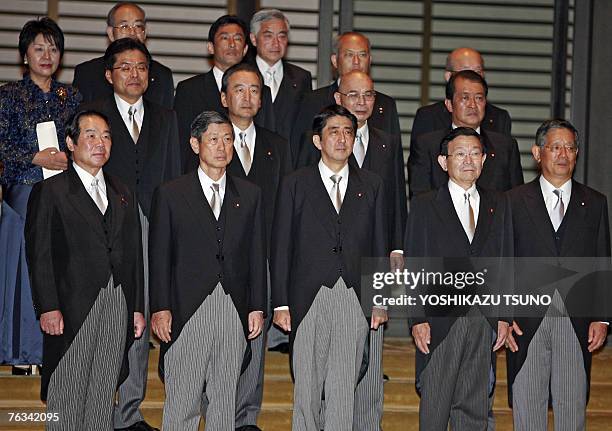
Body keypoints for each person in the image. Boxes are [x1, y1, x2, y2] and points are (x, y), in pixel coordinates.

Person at [80, 36, 181, 431]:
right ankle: (97, 408)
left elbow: (173, 173)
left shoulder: (167, 117)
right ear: (109, 75)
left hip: (155, 224)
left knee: (143, 313)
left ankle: (129, 412)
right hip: (109, 226)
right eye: (125, 67)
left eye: (141, 67)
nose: (134, 74)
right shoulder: (95, 116)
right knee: (109, 317)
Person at [25, 109, 145, 430]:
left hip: (117, 301)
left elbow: (134, 255)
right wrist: (48, 306)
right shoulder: (50, 191)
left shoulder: (123, 192)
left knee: (104, 390)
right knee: (67, 390)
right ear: (70, 142)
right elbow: (39, 255)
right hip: (71, 304)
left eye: (106, 136)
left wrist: (136, 307)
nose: (99, 143)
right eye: (90, 135)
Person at [271, 105, 388, 431]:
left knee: (343, 388)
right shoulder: (295, 183)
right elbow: (281, 246)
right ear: (317, 140)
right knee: (307, 387)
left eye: (348, 132)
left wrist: (380, 298)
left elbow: (380, 246)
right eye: (333, 132)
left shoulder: (372, 184)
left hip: (353, 294)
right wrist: (280, 302)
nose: (342, 139)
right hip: (308, 296)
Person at [149, 110, 266, 431]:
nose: (222, 147)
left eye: (228, 140)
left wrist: (257, 306)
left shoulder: (250, 194)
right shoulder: (171, 193)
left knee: (224, 399)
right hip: (187, 307)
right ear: (195, 144)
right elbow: (159, 256)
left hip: (233, 305)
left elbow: (256, 254)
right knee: (182, 399)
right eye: (213, 139)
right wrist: (160, 307)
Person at [505, 119, 610, 430]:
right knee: (527, 404)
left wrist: (602, 318)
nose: (563, 154)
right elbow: (503, 260)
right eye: (555, 147)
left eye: (570, 147)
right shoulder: (512, 201)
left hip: (575, 320)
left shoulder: (594, 203)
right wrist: (502, 315)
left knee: (572, 405)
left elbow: (602, 261)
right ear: (538, 153)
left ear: (576, 154)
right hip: (525, 320)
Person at [404, 127, 511, 430]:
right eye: (460, 154)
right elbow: (414, 265)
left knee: (475, 406)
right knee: (435, 405)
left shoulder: (498, 203)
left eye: (475, 153)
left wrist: (504, 315)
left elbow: (506, 260)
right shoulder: (425, 205)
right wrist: (417, 319)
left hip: (483, 317)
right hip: (440, 317)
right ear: (443, 161)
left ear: (484, 159)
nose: (468, 160)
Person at [0, 17, 80, 373]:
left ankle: (54, 353)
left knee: (59, 271)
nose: (47, 55)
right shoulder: (8, 95)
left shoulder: (72, 97)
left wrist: (72, 157)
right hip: (24, 193)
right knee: (21, 273)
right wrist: (35, 156)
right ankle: (19, 354)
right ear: (24, 55)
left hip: (63, 195)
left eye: (53, 48)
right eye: (38, 48)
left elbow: (87, 141)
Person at [217, 61, 290, 431]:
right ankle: (218, 413)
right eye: (240, 89)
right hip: (218, 256)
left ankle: (246, 417)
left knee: (255, 335)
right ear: (224, 96)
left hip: (261, 253)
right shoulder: (210, 142)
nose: (247, 97)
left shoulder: (277, 145)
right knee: (220, 336)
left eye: (255, 90)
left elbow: (285, 205)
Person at [174, 15, 275, 172]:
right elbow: (181, 144)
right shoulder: (189, 90)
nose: (232, 44)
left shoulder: (262, 91)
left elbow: (268, 138)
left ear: (246, 49)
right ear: (211, 47)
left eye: (238, 38)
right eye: (225, 38)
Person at [290, 31, 401, 167]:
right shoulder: (312, 101)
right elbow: (300, 156)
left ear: (370, 60)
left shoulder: (385, 104)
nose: (356, 61)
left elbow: (393, 163)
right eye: (349, 55)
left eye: (362, 55)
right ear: (335, 61)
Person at [408, 70, 523, 198]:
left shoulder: (505, 146)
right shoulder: (428, 145)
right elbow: (420, 198)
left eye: (479, 98)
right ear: (449, 104)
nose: (473, 105)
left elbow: (516, 200)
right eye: (465, 98)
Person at [72, 2, 174, 109]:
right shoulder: (87, 73)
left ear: (145, 33)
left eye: (138, 26)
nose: (132, 32)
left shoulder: (162, 75)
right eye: (124, 26)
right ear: (111, 33)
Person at [410, 47, 512, 150]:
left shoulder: (499, 117)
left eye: (478, 71)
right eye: (466, 71)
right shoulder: (428, 116)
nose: (472, 76)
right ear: (448, 76)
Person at [249, 8, 312, 143]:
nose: (276, 43)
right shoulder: (240, 76)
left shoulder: (301, 78)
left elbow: (305, 126)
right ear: (254, 39)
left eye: (282, 36)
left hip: (290, 159)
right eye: (268, 36)